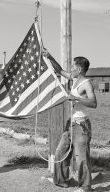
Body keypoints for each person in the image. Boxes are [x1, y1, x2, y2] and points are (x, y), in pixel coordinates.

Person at [43, 49, 97, 192]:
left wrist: (77, 98)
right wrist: (49, 56)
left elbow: (93, 103)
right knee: (61, 152)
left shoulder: (86, 84)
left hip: (81, 126)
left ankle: (85, 187)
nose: (71, 69)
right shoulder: (74, 79)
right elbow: (60, 70)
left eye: (73, 67)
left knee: (81, 158)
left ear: (79, 69)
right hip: (70, 124)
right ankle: (62, 181)